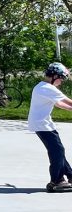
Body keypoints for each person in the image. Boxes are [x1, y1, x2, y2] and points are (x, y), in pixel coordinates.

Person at [28, 62, 72, 192]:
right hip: (42, 125)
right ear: (55, 76)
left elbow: (59, 103)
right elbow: (68, 101)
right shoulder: (48, 88)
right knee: (57, 151)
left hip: (42, 124)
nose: (62, 81)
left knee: (58, 150)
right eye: (62, 78)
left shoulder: (41, 87)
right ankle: (56, 181)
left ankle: (70, 175)